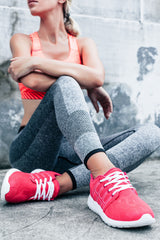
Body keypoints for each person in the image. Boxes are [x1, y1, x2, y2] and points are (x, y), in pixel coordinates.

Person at [1, 0, 160, 229]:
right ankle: (102, 173)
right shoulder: (23, 40)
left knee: (152, 133)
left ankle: (57, 185)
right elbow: (32, 80)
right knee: (66, 83)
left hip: (74, 149)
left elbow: (96, 77)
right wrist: (82, 80)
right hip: (32, 150)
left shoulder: (83, 44)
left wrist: (35, 61)